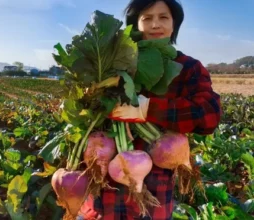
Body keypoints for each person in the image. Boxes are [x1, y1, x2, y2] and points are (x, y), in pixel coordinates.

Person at [78, 0, 222, 219]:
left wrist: (148, 109)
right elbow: (85, 115)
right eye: (147, 18)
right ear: (136, 24)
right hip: (103, 184)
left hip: (156, 187)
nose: (155, 24)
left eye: (163, 17)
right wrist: (89, 95)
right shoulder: (114, 64)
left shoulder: (188, 67)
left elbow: (209, 115)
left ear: (174, 25)